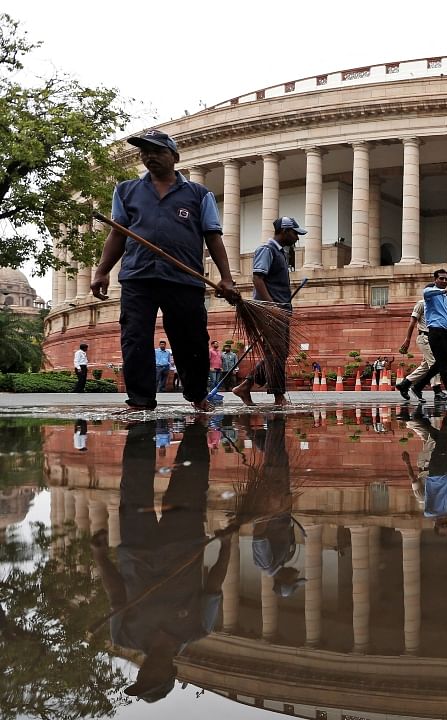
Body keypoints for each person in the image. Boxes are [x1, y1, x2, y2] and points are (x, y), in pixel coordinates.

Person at [90, 130, 239, 412]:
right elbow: (118, 235)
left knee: (192, 340)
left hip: (184, 279)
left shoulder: (198, 194)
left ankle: (198, 396)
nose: (149, 156)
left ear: (175, 156)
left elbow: (213, 236)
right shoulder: (126, 190)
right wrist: (102, 271)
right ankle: (140, 401)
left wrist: (227, 277)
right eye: (144, 152)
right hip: (138, 276)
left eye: (157, 151)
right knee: (134, 337)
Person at [89, 418, 229, 703]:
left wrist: (100, 555)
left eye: (142, 679)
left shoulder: (124, 636)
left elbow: (116, 594)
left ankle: (140, 430)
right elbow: (214, 585)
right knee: (190, 483)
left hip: (136, 547)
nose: (145, 674)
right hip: (184, 544)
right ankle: (197, 429)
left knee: (134, 484)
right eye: (152, 679)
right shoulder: (199, 628)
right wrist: (227, 543)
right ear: (170, 671)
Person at [232, 217, 302, 407]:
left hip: (280, 310)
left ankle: (245, 386)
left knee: (278, 353)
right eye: (295, 233)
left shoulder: (281, 253)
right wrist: (271, 307)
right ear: (285, 231)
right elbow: (258, 279)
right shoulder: (267, 250)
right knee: (277, 353)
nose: (297, 238)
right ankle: (278, 396)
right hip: (271, 311)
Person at [250, 417, 306, 599]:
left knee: (275, 459)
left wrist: (271, 504)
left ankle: (275, 420)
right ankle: (265, 430)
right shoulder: (282, 560)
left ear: (283, 580)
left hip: (273, 498)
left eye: (294, 579)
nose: (296, 574)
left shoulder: (266, 564)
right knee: (279, 458)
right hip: (282, 501)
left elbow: (258, 534)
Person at [403, 404, 447, 533]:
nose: (445, 523)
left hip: (431, 466)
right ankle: (418, 419)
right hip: (437, 468)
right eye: (446, 526)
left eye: (442, 525)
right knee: (437, 436)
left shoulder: (429, 509)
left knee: (442, 435)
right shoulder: (444, 509)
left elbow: (414, 480)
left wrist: (407, 462)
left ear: (435, 525)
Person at [410, 269, 447, 404]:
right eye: (441, 278)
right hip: (434, 332)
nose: (444, 281)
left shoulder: (445, 299)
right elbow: (426, 292)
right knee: (443, 364)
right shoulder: (430, 294)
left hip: (444, 333)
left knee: (439, 364)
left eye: (446, 279)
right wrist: (445, 291)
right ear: (435, 280)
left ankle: (417, 386)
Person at [396, 296, 442, 402]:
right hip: (424, 338)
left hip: (434, 338)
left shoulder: (437, 306)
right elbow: (412, 322)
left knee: (425, 366)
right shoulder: (421, 304)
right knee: (434, 363)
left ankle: (405, 384)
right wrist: (407, 340)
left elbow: (436, 325)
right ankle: (437, 391)